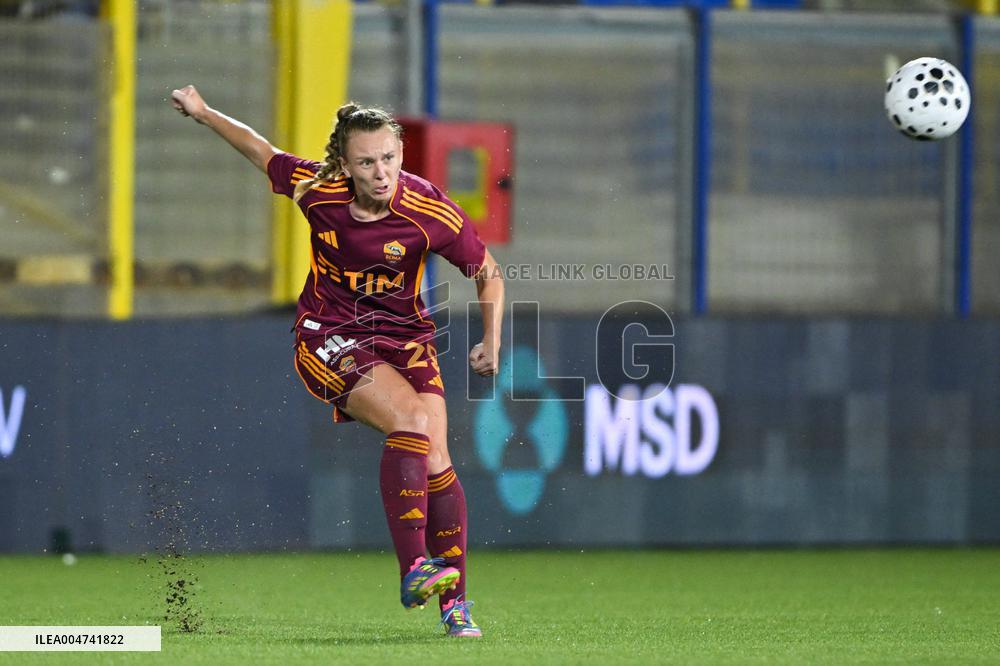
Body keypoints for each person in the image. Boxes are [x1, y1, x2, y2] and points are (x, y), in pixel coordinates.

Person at [170, 85, 504, 638]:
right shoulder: (317, 191)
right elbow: (260, 150)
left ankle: (455, 604)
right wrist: (205, 114)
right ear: (344, 165)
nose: (381, 172)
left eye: (390, 158)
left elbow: (488, 273)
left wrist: (492, 341)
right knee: (414, 422)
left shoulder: (428, 211)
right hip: (329, 334)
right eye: (367, 162)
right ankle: (413, 568)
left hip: (405, 338)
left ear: (401, 153)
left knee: (440, 460)